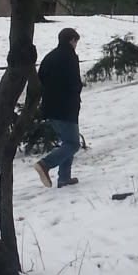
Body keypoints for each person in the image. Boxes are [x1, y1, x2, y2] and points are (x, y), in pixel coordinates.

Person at [33, 27, 83, 188]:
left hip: (50, 107)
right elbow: (74, 83)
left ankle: (64, 178)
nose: (76, 45)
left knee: (67, 142)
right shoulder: (70, 57)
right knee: (73, 143)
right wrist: (76, 93)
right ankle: (45, 164)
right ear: (72, 40)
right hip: (66, 108)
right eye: (76, 42)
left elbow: (39, 80)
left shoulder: (49, 57)